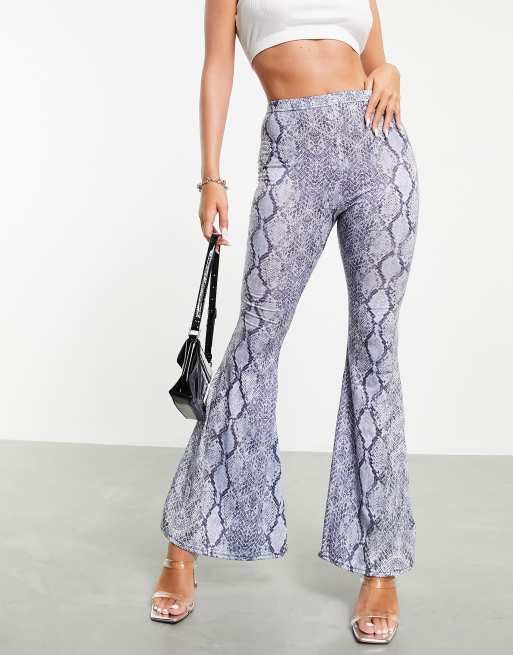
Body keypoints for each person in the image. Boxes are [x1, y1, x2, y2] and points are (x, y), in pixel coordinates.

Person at [151, 0, 419, 645]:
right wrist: (210, 177)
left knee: (376, 350)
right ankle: (183, 547)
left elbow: (377, 64)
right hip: (293, 151)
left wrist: (390, 73)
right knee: (255, 341)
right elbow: (218, 68)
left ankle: (380, 565)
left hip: (379, 152)